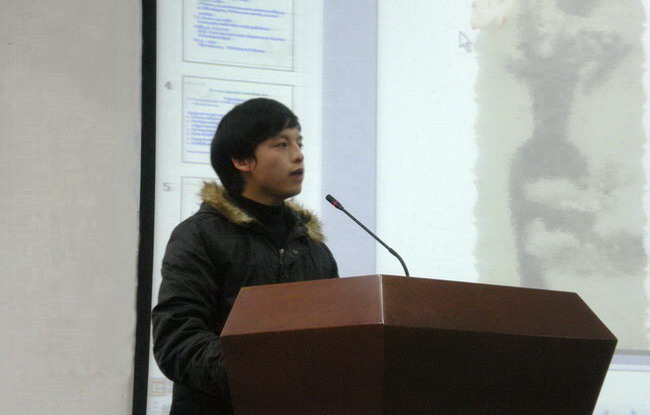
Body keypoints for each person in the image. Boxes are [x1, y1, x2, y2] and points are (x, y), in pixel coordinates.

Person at [151, 98, 339, 414]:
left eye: (299, 142)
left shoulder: (313, 248)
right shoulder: (200, 236)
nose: (298, 154)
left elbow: (336, 339)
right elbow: (177, 340)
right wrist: (262, 373)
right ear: (241, 160)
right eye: (281, 144)